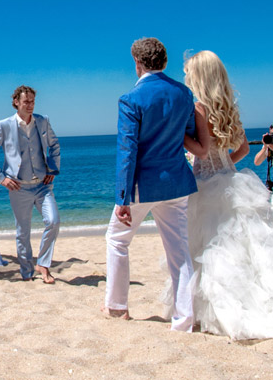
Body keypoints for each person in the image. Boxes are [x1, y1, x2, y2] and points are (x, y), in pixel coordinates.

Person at [103, 37, 203, 332]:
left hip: (142, 186)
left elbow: (127, 150)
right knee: (179, 251)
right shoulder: (184, 93)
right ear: (164, 62)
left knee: (117, 240)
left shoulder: (131, 99)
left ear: (137, 64)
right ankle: (184, 318)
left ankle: (118, 306)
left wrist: (122, 197)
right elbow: (187, 134)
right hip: (176, 182)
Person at [180, 50, 273, 339]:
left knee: (210, 249)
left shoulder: (199, 107)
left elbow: (203, 151)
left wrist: (181, 139)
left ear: (199, 77)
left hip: (205, 185)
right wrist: (225, 166)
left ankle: (212, 311)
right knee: (239, 246)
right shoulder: (228, 106)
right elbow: (244, 149)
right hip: (231, 181)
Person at [0, 85, 60, 283]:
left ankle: (43, 264)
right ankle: (27, 273)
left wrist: (53, 169)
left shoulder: (43, 122)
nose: (30, 105)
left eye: (33, 101)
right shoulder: (5, 125)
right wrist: (1, 178)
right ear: (16, 102)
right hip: (19, 187)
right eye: (26, 101)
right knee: (22, 232)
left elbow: (54, 145)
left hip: (43, 185)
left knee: (53, 221)